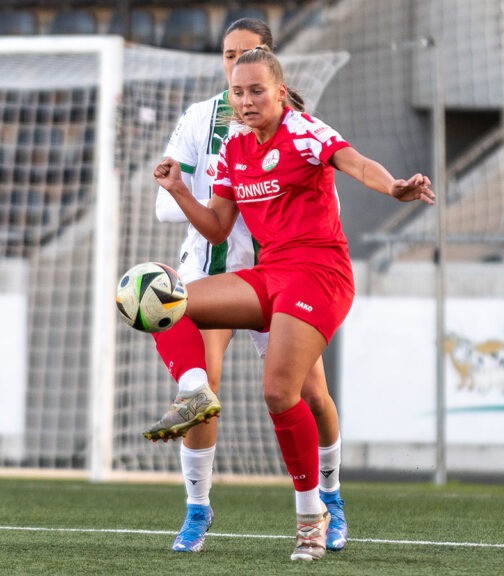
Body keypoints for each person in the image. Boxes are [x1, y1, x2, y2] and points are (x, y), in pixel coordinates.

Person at [151, 48, 434, 561]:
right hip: (269, 274)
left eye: (257, 90)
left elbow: (357, 163)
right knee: (160, 296)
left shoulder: (305, 130)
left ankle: (313, 517)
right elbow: (216, 226)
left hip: (320, 273)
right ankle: (195, 390)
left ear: (280, 92)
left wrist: (393, 186)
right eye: (238, 92)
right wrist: (177, 191)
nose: (246, 101)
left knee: (281, 392)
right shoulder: (233, 149)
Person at [147, 18, 349, 555]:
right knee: (199, 390)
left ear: (270, 61)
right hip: (212, 268)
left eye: (246, 55)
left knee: (309, 394)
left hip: (283, 274)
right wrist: (200, 189)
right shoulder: (200, 118)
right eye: (226, 56)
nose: (234, 64)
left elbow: (320, 193)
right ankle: (197, 509)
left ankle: (329, 497)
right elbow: (163, 203)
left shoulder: (296, 126)